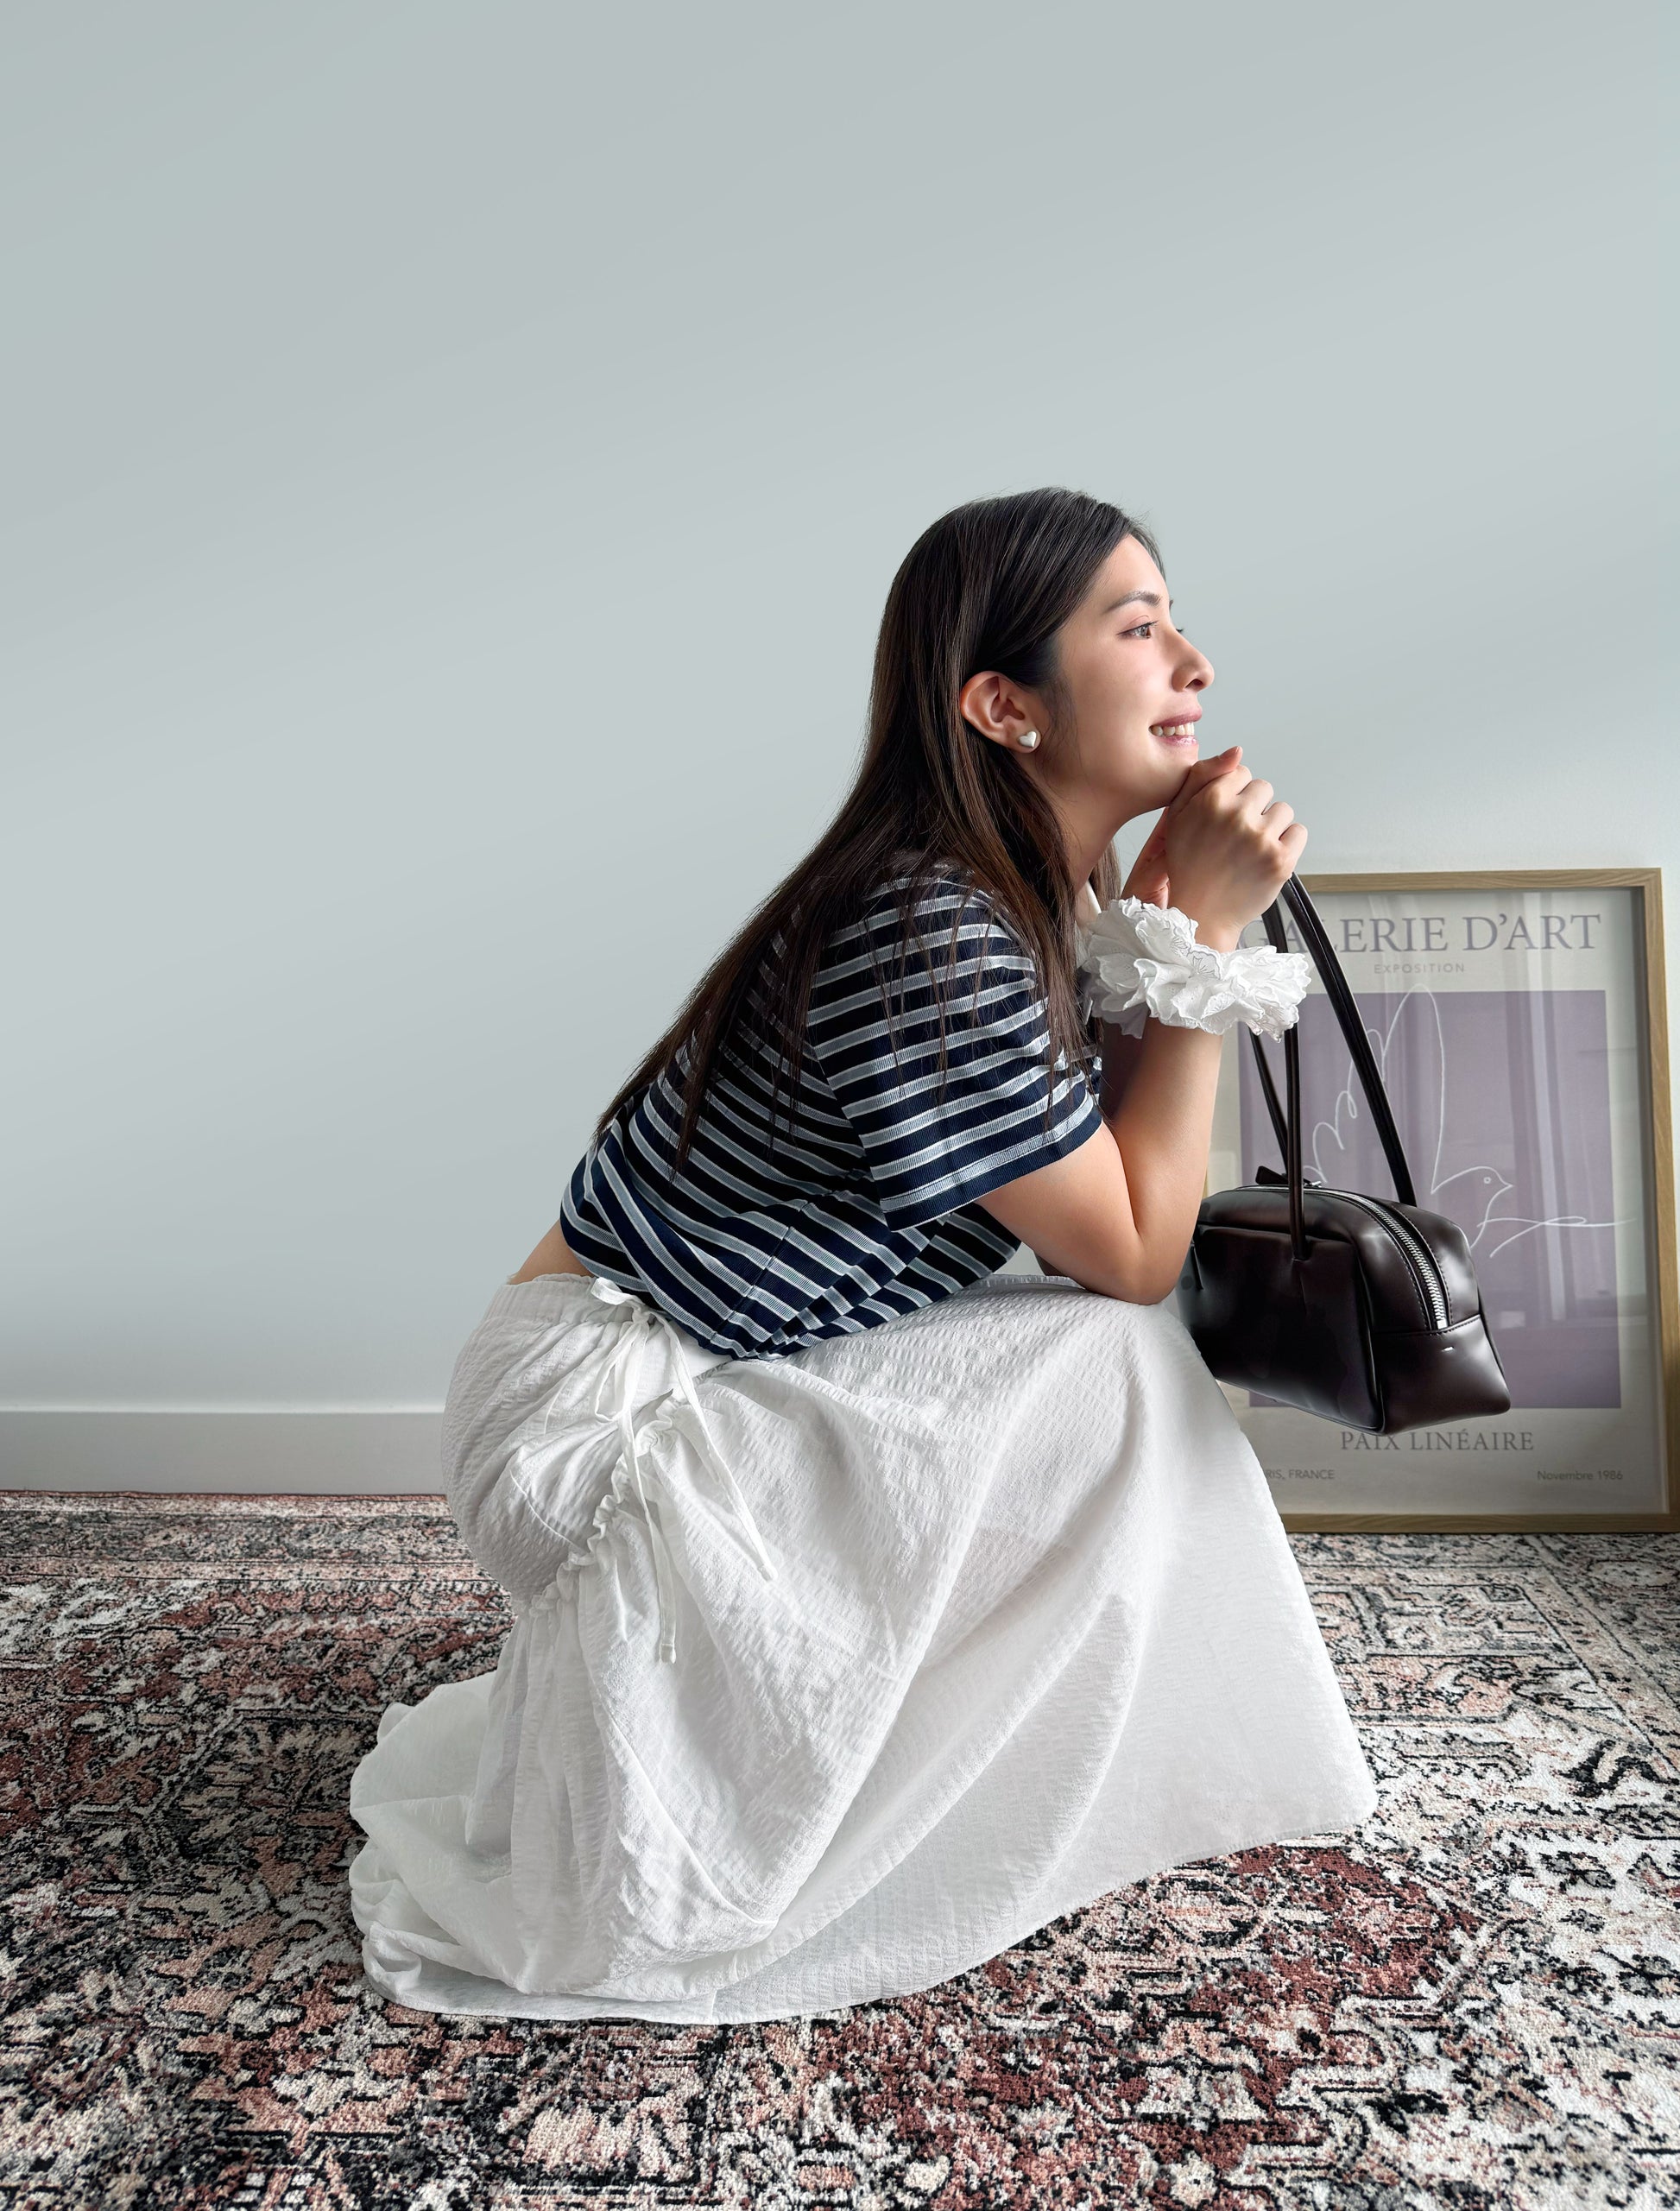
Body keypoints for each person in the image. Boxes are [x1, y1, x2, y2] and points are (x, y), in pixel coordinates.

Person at [347, 486, 1378, 2023]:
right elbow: (1140, 1250)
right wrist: (1199, 950)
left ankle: (1043, 1740)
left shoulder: (1009, 903)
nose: (1195, 664)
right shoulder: (932, 931)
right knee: (1111, 1346)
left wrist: (1158, 929)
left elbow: (1108, 1202)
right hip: (601, 1420)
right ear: (1000, 704)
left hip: (687, 1361)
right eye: (1141, 624)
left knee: (1094, 1342)